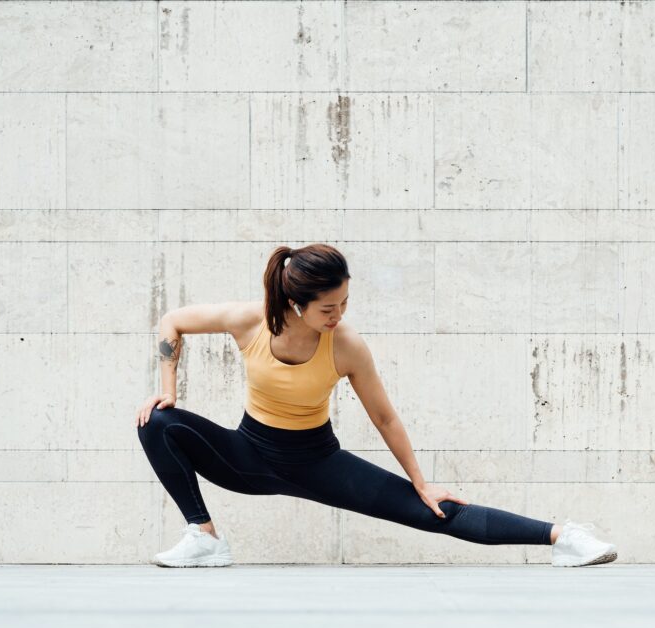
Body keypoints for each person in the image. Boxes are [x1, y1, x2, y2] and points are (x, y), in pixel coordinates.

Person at [136, 243, 617, 568]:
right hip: (245, 457)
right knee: (158, 421)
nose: (339, 316)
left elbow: (384, 417)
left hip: (317, 462)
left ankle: (563, 537)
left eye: (344, 303)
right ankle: (205, 538)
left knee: (435, 513)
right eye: (329, 308)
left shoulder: (346, 345)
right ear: (297, 302)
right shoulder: (250, 322)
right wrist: (168, 385)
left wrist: (421, 482)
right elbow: (172, 320)